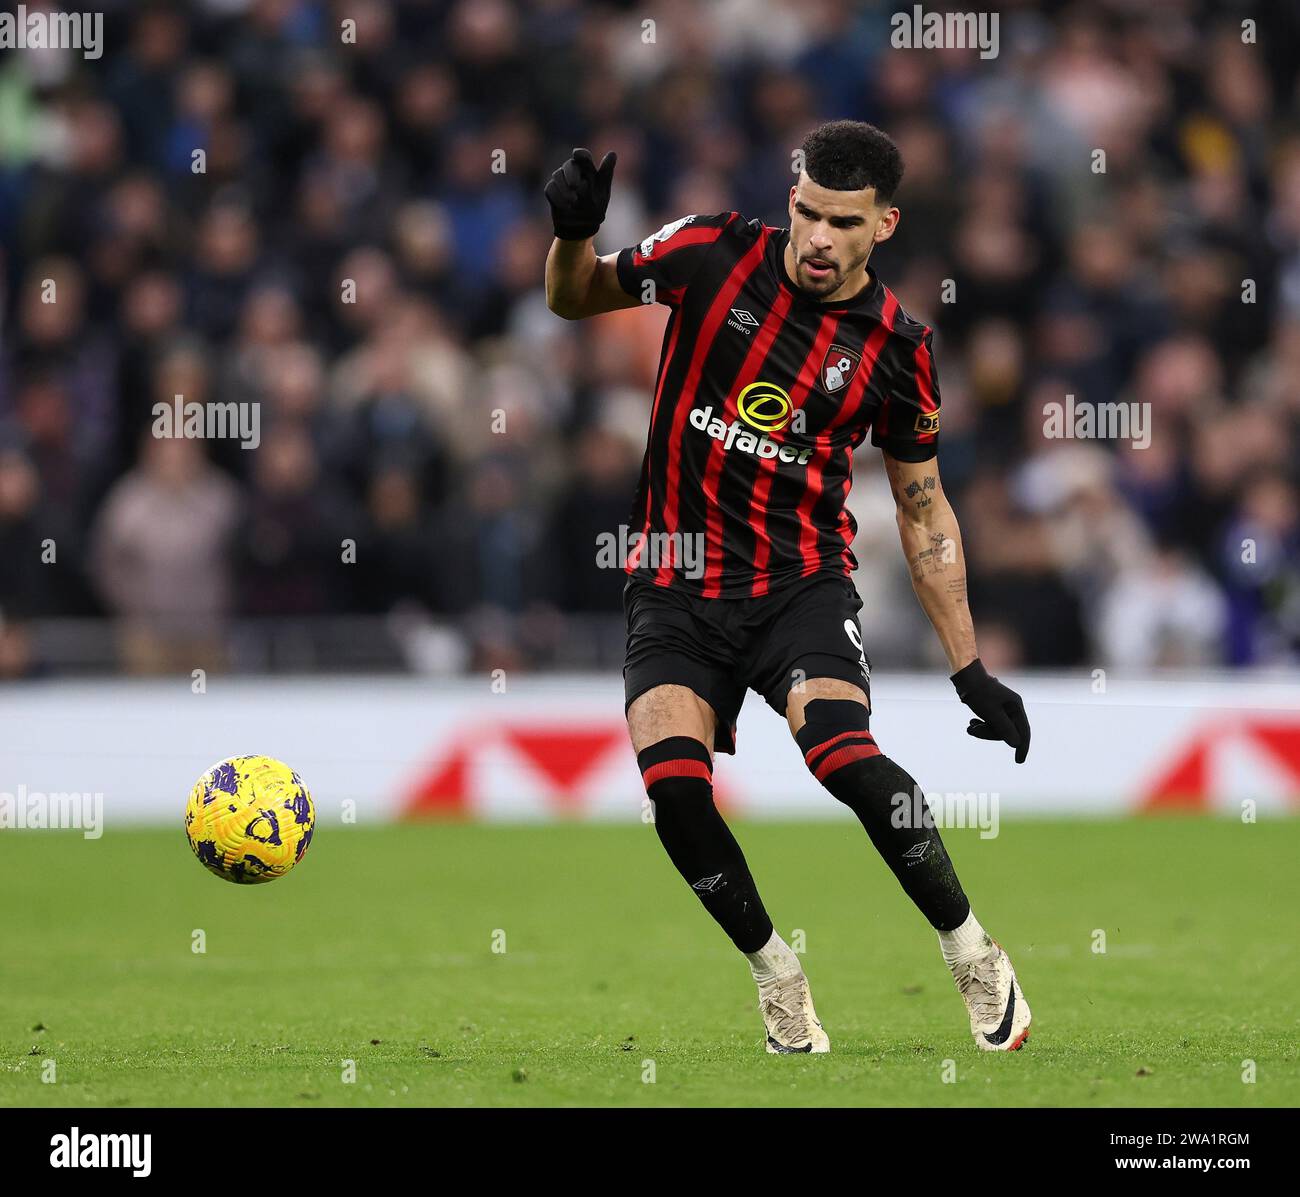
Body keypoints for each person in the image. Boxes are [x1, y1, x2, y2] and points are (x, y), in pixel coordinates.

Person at [544, 120, 1032, 1054]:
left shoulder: (898, 349)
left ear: (883, 226)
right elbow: (574, 299)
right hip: (675, 579)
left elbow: (924, 511)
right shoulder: (707, 252)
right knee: (677, 791)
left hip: (799, 583)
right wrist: (572, 234)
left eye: (842, 223)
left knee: (845, 760)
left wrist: (969, 669)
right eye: (806, 210)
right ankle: (778, 975)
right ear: (791, 191)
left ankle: (971, 950)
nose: (816, 237)